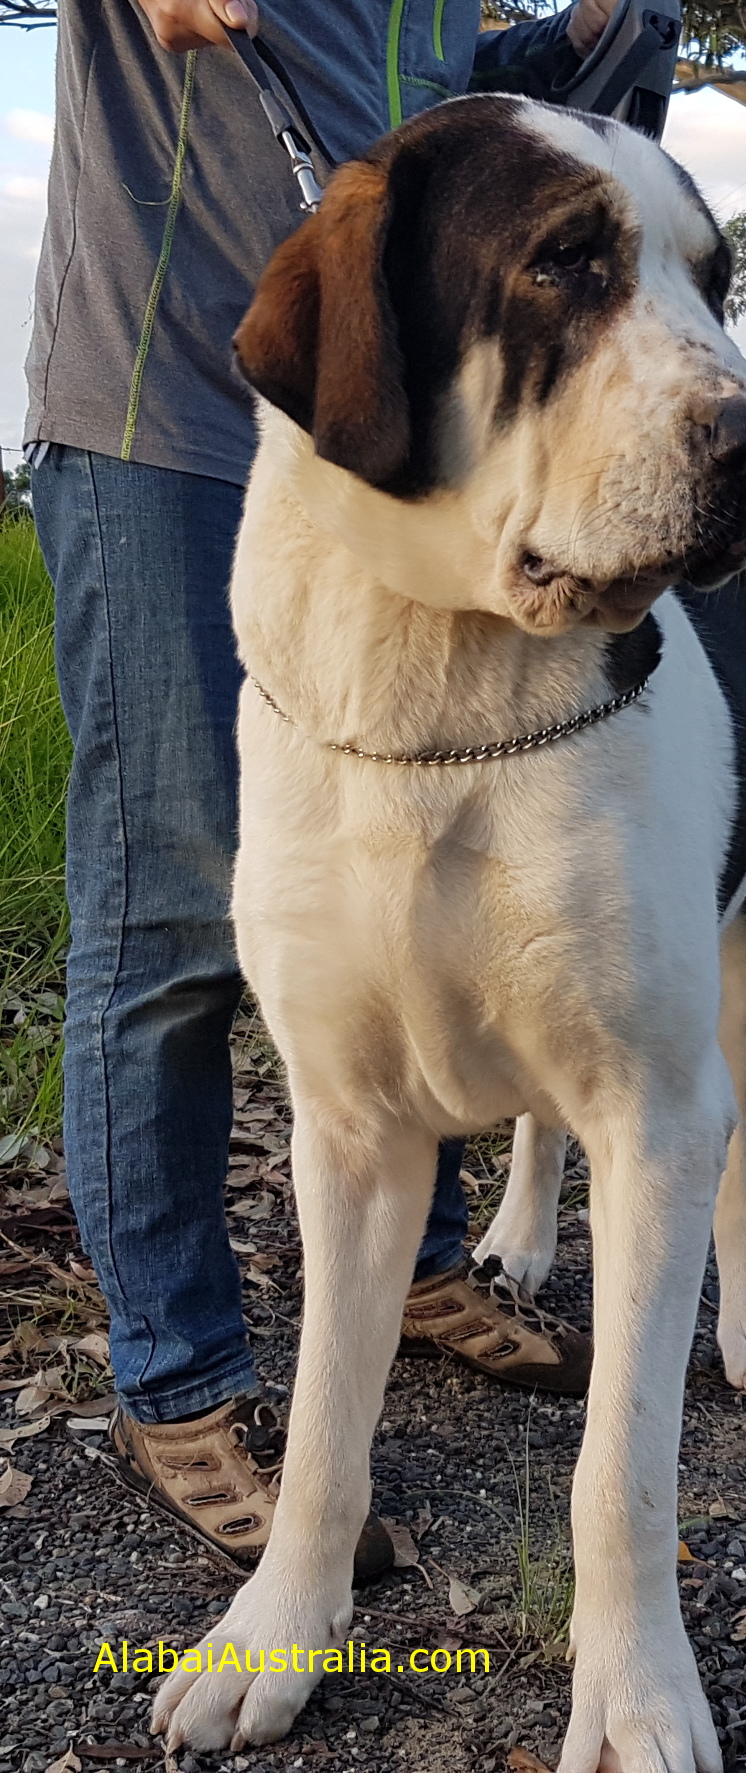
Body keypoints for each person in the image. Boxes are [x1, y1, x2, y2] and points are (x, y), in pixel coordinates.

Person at [26, 0, 613, 1577]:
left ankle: (417, 1259)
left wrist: (586, 41)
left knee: (418, 868)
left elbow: (495, 133)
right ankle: (182, 1370)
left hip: (400, 459)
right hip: (170, 425)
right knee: (175, 902)